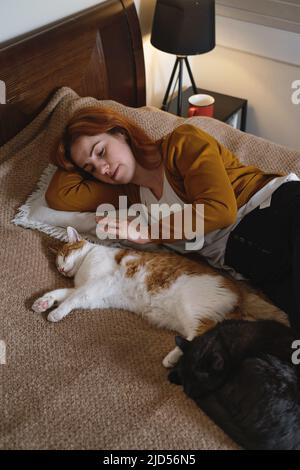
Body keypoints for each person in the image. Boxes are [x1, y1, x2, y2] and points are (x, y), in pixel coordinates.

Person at [46, 106, 300, 333]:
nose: (102, 168)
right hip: (247, 257)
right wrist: (69, 156)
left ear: (121, 132)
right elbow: (59, 195)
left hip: (273, 208)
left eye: (101, 151)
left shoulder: (182, 142)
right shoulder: (127, 194)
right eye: (90, 168)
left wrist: (149, 232)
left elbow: (221, 209)